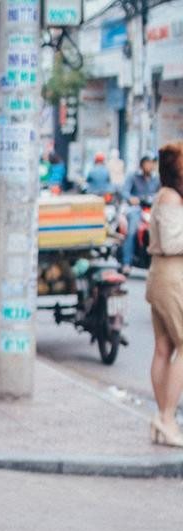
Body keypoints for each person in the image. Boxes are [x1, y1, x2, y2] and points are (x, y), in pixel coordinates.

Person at [146, 142, 183, 447]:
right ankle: (168, 418)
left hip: (162, 274)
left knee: (163, 348)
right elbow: (172, 242)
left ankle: (161, 418)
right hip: (172, 274)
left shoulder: (164, 196)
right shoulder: (170, 198)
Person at [121, 155, 160, 267]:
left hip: (152, 210)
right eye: (147, 162)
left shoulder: (156, 179)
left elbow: (162, 192)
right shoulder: (133, 177)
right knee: (132, 229)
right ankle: (127, 262)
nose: (150, 165)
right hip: (136, 209)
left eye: (152, 163)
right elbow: (125, 192)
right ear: (142, 164)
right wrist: (131, 199)